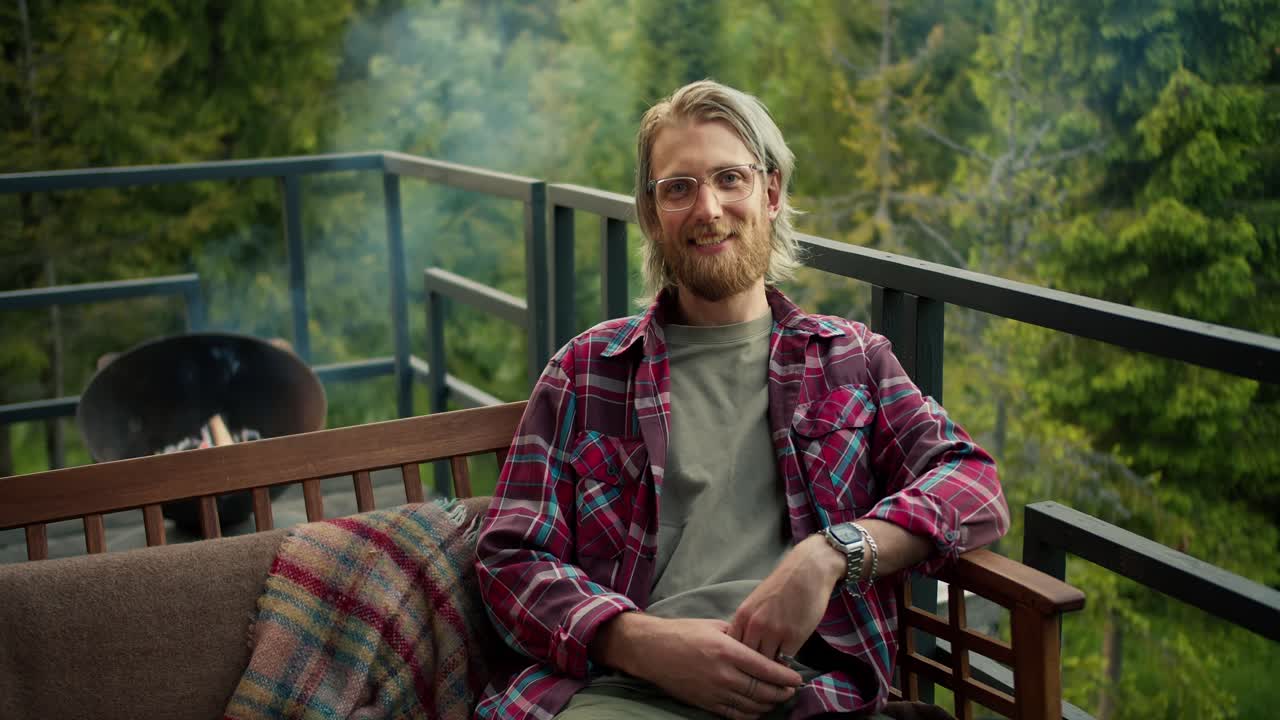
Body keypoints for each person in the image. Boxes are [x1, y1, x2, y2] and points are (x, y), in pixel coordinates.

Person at [473, 80, 1008, 720]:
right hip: (626, 694)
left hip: (806, 696)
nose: (708, 209)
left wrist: (832, 554)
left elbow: (972, 483)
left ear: (771, 192)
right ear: (651, 215)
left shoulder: (850, 360)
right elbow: (509, 561)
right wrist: (637, 642)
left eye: (731, 178)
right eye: (679, 188)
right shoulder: (588, 372)